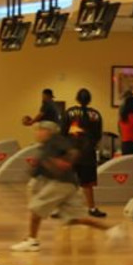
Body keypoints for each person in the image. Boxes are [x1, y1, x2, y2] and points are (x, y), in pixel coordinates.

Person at [11, 121, 126, 252]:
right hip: (68, 184)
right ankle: (112, 230)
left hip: (60, 183)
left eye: (40, 130)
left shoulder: (56, 141)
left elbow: (73, 152)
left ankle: (31, 241)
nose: (37, 133)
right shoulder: (47, 145)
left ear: (48, 131)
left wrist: (64, 162)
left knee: (36, 209)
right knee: (74, 218)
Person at [61, 88, 106, 218]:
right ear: (89, 99)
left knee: (66, 182)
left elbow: (63, 132)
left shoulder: (69, 112)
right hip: (88, 153)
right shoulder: (96, 114)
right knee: (87, 184)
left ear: (77, 98)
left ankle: (62, 208)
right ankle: (91, 208)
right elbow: (98, 134)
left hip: (71, 151)